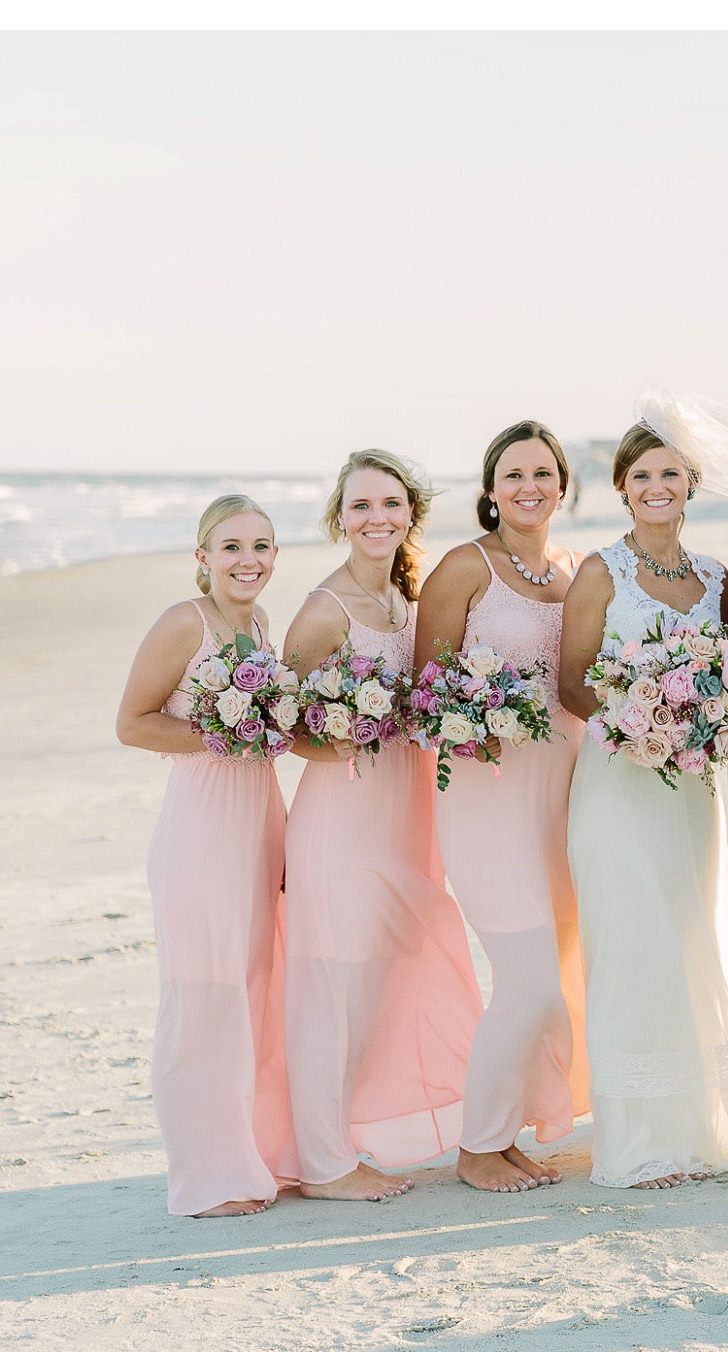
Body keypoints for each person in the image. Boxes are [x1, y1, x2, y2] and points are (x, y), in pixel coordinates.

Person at [558, 419, 728, 1189]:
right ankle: (641, 1139)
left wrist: (697, 725)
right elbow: (571, 681)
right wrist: (642, 728)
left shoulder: (715, 576)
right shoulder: (601, 572)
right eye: (641, 477)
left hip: (693, 789)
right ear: (623, 488)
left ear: (689, 485)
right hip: (617, 783)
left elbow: (727, 673)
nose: (656, 488)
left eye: (670, 475)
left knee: (692, 935)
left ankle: (704, 1120)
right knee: (633, 944)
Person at [282, 450, 484, 1200]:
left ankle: (351, 1134)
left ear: (411, 514)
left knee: (387, 979)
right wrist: (331, 738)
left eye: (391, 504)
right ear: (341, 516)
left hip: (407, 812)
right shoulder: (322, 609)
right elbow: (279, 723)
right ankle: (326, 1162)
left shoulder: (410, 603)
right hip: (343, 817)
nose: (377, 518)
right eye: (362, 505)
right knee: (334, 987)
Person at [414, 420, 590, 1192]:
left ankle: (510, 1130)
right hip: (485, 798)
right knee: (530, 985)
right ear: (491, 491)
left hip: (565, 796)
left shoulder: (577, 570)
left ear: (563, 484)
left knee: (553, 971)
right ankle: (477, 1146)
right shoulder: (463, 567)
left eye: (543, 472)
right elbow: (423, 696)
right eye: (513, 474)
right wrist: (478, 714)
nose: (529, 486)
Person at [113, 494, 296, 1217]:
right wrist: (219, 735)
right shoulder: (181, 623)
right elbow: (132, 723)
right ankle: (202, 1179)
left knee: (250, 991)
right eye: (230, 547)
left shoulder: (259, 623)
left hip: (257, 816)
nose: (247, 559)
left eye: (261, 545)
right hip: (200, 824)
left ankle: (244, 1155)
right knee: (201, 996)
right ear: (202, 558)